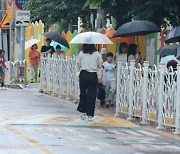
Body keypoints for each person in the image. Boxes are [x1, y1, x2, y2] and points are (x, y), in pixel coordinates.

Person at [76, 44, 102, 121]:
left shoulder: (81, 53)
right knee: (92, 94)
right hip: (93, 74)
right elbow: (100, 66)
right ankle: (90, 114)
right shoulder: (97, 54)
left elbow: (78, 64)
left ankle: (83, 111)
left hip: (84, 74)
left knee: (83, 93)